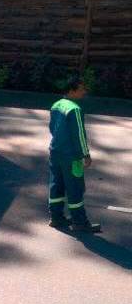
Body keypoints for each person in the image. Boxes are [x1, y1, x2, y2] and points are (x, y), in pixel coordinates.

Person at [48, 76, 101, 233]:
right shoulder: (75, 109)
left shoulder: (56, 105)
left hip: (55, 152)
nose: (84, 92)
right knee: (75, 187)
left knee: (56, 184)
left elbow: (52, 128)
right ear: (72, 91)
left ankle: (56, 218)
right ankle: (80, 222)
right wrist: (86, 154)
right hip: (71, 156)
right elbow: (79, 134)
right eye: (81, 89)